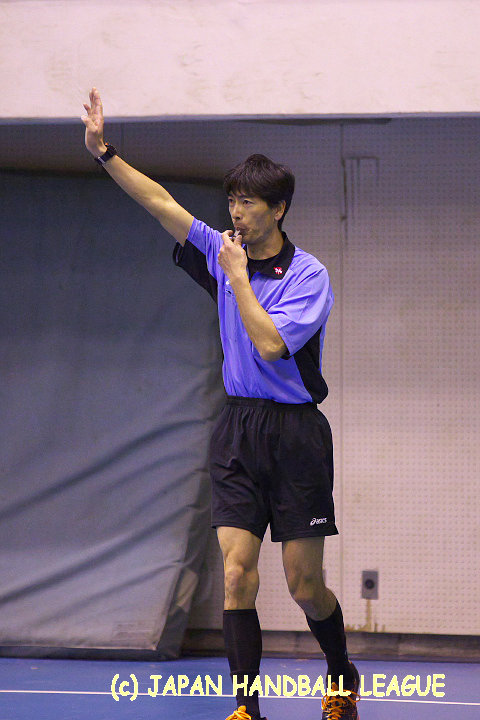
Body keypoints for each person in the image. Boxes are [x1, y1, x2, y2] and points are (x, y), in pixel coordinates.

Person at [82, 88, 360, 720]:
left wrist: (235, 276)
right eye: (232, 199)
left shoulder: (308, 275)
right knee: (237, 574)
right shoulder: (219, 246)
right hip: (237, 428)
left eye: (249, 202)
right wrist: (104, 153)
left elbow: (270, 345)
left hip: (295, 434)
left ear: (278, 209)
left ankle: (341, 675)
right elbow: (160, 202)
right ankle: (246, 707)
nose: (236, 210)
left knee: (304, 585)